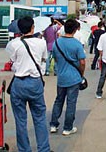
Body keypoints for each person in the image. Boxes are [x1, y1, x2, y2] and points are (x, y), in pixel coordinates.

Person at [9, 16, 50, 152]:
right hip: (35, 82)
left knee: (20, 120)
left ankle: (24, 149)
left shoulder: (14, 44)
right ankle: (43, 148)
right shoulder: (41, 43)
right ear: (33, 27)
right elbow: (44, 59)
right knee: (39, 117)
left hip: (19, 83)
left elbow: (12, 63)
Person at [50, 19, 86, 136]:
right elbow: (82, 62)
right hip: (74, 78)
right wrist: (81, 73)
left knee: (58, 100)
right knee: (71, 103)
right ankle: (67, 127)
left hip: (61, 77)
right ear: (75, 30)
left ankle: (53, 125)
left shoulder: (57, 43)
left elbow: (55, 58)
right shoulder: (76, 44)